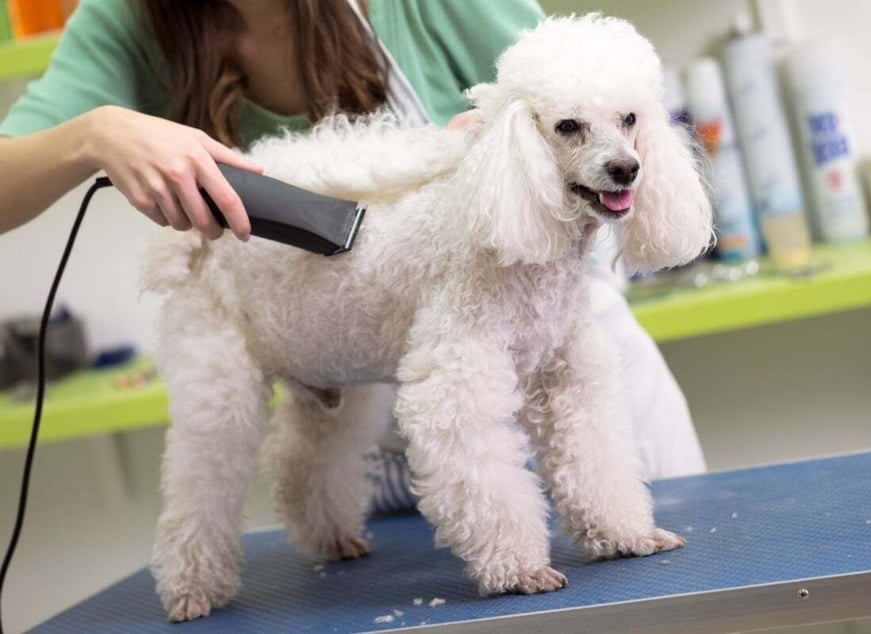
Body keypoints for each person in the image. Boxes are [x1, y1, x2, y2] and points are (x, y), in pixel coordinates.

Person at [0, 0, 705, 495]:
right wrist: (92, 132)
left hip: (566, 372)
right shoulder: (130, 18)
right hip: (378, 423)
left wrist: (484, 148)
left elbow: (590, 104)